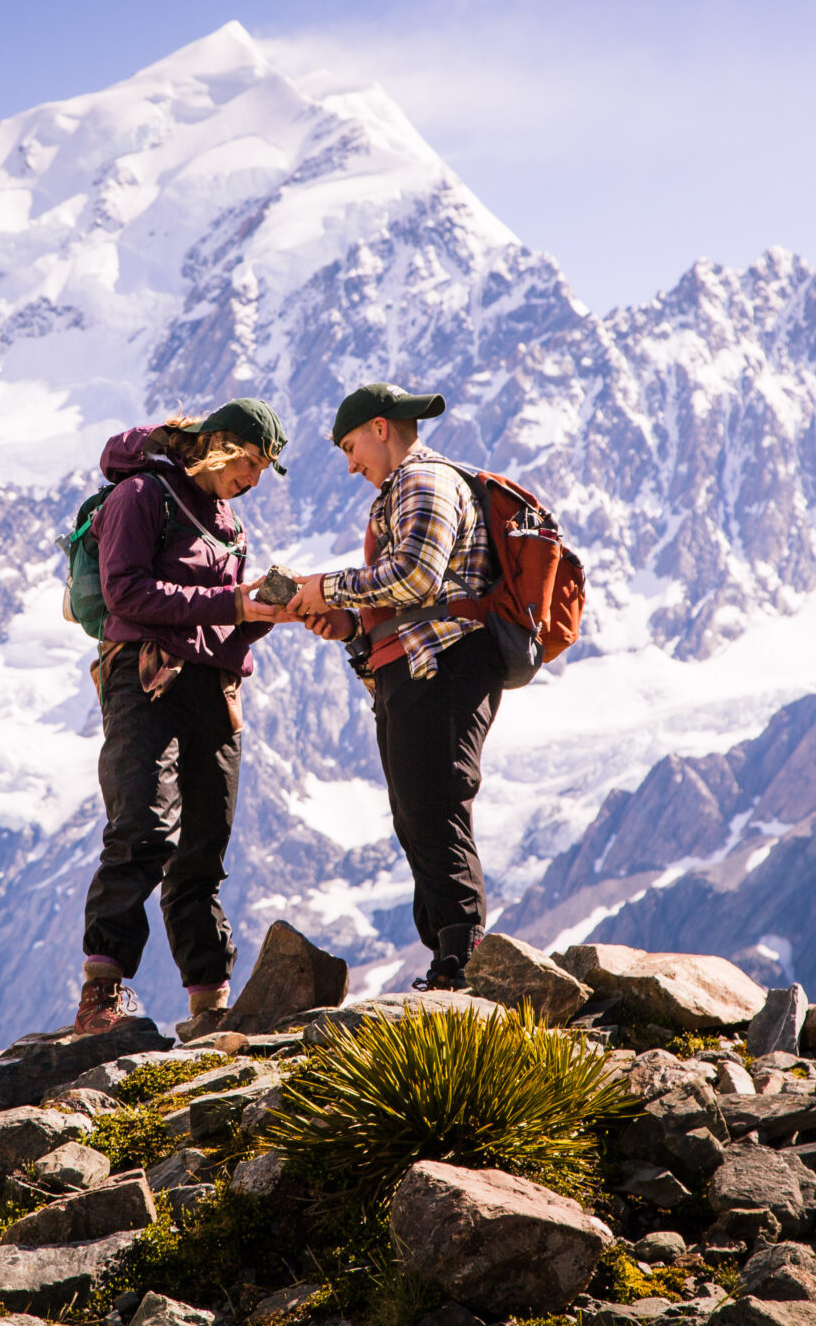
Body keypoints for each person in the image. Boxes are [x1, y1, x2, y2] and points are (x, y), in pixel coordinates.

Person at [74, 399, 293, 1037]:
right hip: (146, 682)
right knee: (142, 830)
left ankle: (209, 1007)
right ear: (219, 445)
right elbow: (125, 592)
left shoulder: (230, 526)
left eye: (263, 470)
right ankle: (101, 990)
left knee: (202, 852)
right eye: (250, 463)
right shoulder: (143, 495)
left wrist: (265, 613)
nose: (253, 479)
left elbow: (222, 623)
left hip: (214, 692)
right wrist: (232, 603)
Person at [286, 382, 502, 991]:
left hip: (442, 662)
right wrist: (351, 623)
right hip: (417, 664)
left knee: (432, 804)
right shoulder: (403, 488)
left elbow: (416, 575)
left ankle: (463, 960)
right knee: (416, 810)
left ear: (380, 428)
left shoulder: (422, 479)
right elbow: (412, 594)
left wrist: (327, 588)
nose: (350, 465)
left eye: (350, 447)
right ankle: (448, 958)